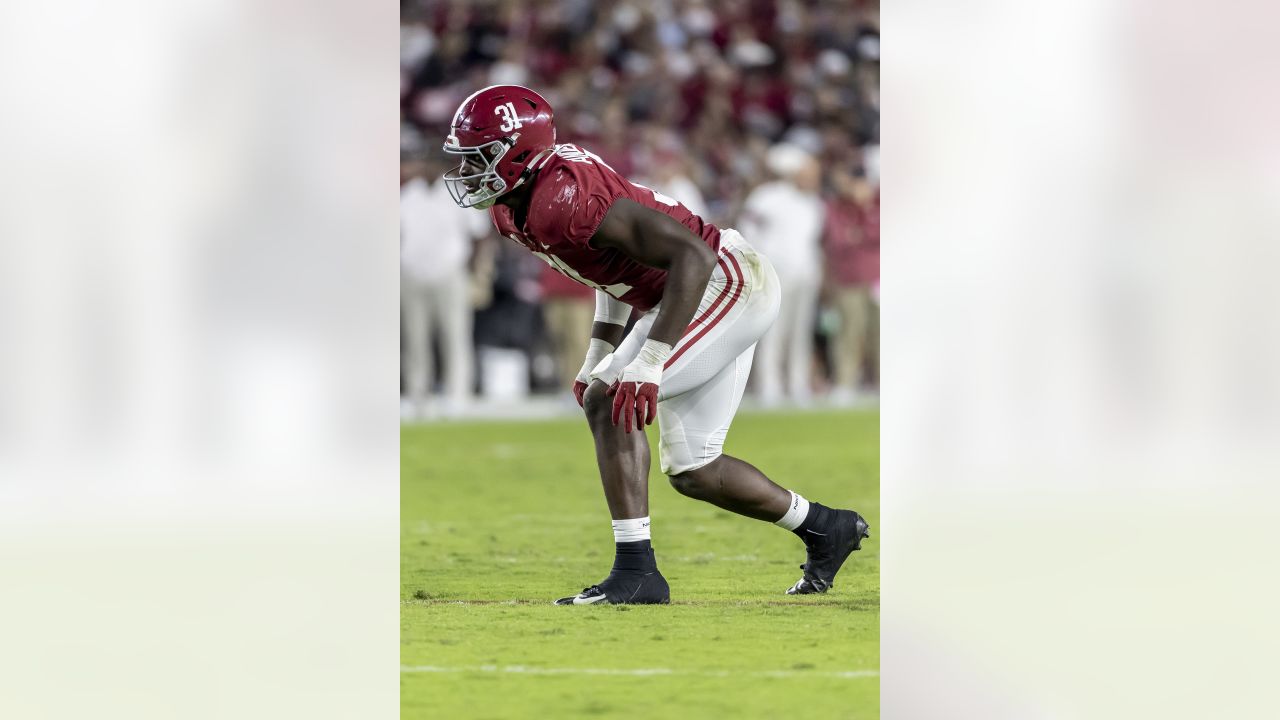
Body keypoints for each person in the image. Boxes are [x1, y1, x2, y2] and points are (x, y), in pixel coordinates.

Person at [441, 85, 870, 605]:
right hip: (682, 293)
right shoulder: (515, 208)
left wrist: (648, 359)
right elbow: (611, 272)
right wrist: (599, 353)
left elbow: (692, 255)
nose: (468, 172)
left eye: (480, 157)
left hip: (723, 279)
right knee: (694, 470)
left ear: (520, 151)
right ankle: (826, 528)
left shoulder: (562, 196)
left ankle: (637, 573)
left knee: (609, 398)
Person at [738, 144, 825, 406]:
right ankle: (770, 386)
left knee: (800, 332)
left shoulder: (813, 203)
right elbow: (747, 232)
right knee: (772, 330)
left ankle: (797, 385)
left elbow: (812, 241)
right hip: (774, 274)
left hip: (805, 273)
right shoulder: (766, 196)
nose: (812, 178)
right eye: (807, 172)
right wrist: (759, 266)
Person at [400, 152, 484, 418]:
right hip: (411, 274)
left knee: (455, 335)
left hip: (450, 273)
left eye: (429, 161)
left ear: (439, 165)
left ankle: (457, 395)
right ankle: (417, 396)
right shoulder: (407, 194)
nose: (424, 166)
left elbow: (479, 233)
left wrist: (473, 270)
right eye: (421, 160)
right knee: (415, 339)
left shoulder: (456, 192)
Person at [823, 169, 880, 402]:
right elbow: (839, 240)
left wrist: (861, 233)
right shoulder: (838, 208)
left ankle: (881, 382)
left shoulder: (877, 206)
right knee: (849, 332)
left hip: (879, 279)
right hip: (849, 280)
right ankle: (845, 383)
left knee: (879, 334)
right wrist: (865, 234)